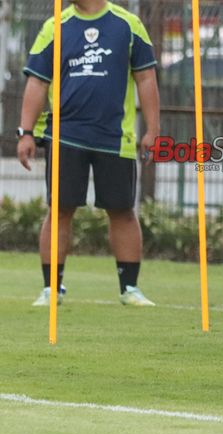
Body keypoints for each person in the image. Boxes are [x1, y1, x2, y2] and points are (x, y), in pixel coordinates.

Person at [16, 0, 159, 306]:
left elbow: (146, 78)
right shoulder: (55, 26)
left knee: (122, 209)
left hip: (114, 136)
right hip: (66, 136)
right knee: (60, 209)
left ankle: (130, 289)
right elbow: (37, 82)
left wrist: (153, 130)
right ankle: (51, 289)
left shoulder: (128, 25)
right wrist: (26, 132)